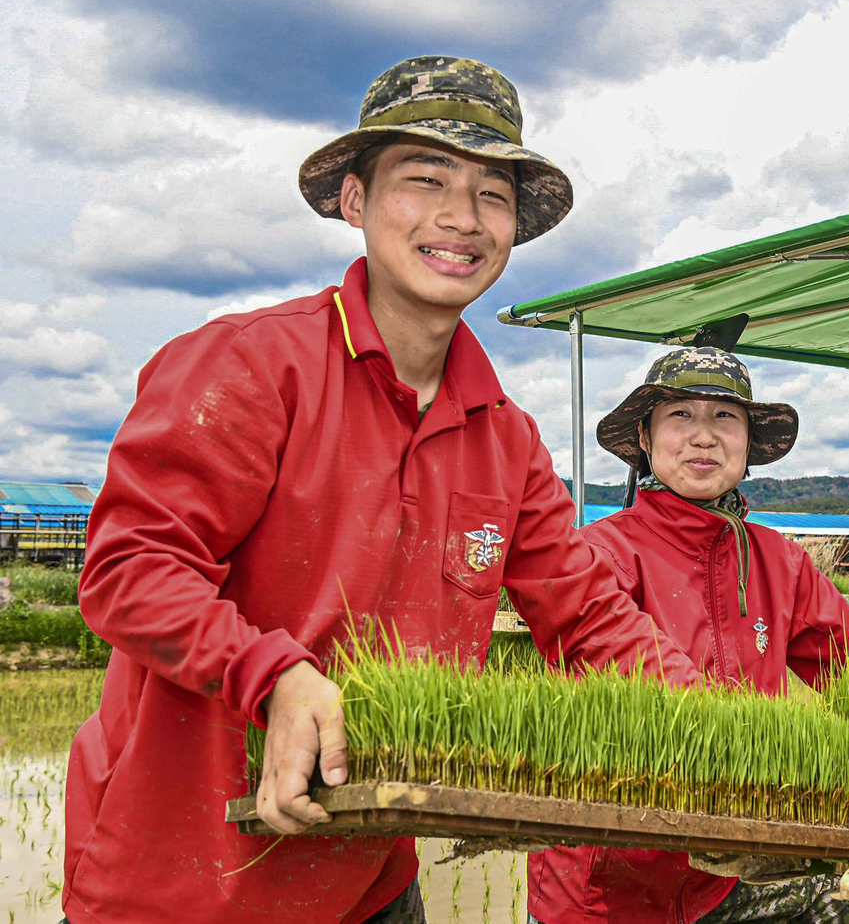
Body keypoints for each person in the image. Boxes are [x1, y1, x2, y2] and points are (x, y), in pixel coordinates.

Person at [63, 56, 700, 924]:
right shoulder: (248, 366)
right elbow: (129, 570)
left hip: (374, 885)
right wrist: (274, 674)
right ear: (355, 201)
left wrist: (726, 723)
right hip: (181, 879)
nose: (459, 218)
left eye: (491, 195)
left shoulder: (503, 438)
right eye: (424, 179)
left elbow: (590, 617)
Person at [527, 346, 849, 924]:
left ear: (749, 443)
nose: (704, 437)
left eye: (725, 417)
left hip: (726, 878)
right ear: (646, 441)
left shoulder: (780, 562)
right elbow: (611, 668)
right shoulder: (603, 554)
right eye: (680, 415)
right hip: (609, 884)